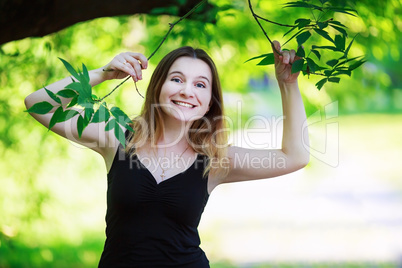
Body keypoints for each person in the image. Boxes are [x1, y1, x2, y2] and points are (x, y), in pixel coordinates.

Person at [24, 40, 309, 267]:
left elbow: (295, 156)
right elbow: (37, 103)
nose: (187, 91)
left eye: (200, 85)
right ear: (158, 86)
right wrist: (104, 74)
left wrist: (288, 84)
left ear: (209, 102)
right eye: (176, 79)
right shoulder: (116, 139)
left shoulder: (217, 160)